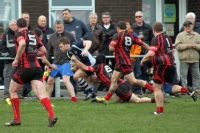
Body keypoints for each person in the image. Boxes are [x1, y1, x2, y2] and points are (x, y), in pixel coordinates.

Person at [5, 18, 57, 127]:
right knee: (40, 94)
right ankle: (52, 115)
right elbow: (43, 50)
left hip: (25, 68)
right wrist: (32, 53)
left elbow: (23, 44)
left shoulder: (19, 33)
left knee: (12, 91)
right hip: (37, 68)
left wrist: (16, 59)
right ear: (27, 25)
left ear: (18, 26)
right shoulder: (33, 34)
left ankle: (17, 119)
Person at [140, 22, 197, 115]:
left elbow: (151, 54)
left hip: (163, 65)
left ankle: (159, 111)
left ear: (154, 30)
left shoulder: (156, 39)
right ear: (162, 29)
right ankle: (186, 90)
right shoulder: (167, 38)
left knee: (156, 88)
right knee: (167, 87)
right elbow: (172, 50)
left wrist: (143, 60)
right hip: (171, 64)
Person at [96, 21, 153, 103]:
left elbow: (111, 47)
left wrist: (113, 51)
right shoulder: (131, 35)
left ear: (118, 28)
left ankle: (153, 89)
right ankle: (106, 100)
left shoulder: (117, 35)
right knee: (113, 80)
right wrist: (151, 50)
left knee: (133, 81)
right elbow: (143, 44)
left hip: (123, 62)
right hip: (120, 63)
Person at [71, 54, 155, 104]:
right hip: (121, 84)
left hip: (119, 87)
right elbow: (99, 79)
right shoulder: (105, 67)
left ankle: (153, 100)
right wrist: (90, 79)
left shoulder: (98, 67)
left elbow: (85, 68)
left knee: (138, 101)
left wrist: (75, 59)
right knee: (116, 101)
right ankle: (130, 97)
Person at [46, 20, 77, 102]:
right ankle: (48, 100)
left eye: (61, 27)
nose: (59, 29)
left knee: (66, 79)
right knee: (50, 81)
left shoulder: (70, 35)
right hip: (56, 63)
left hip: (66, 61)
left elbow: (76, 47)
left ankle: (73, 98)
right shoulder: (52, 37)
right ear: (55, 27)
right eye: (57, 27)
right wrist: (47, 63)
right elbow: (49, 52)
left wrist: (74, 61)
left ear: (63, 26)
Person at [0, 20, 24, 99]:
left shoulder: (21, 35)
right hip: (9, 61)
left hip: (20, 60)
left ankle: (19, 93)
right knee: (8, 76)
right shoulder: (6, 35)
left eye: (15, 25)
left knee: (20, 76)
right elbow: (2, 46)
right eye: (12, 25)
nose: (14, 26)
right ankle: (7, 93)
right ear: (9, 26)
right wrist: (7, 55)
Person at [175, 20, 200, 94]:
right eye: (186, 26)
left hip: (194, 59)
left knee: (196, 76)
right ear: (184, 27)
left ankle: (197, 89)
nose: (187, 27)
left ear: (192, 26)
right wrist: (186, 46)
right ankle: (184, 90)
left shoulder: (197, 35)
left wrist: (195, 46)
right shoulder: (180, 35)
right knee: (183, 76)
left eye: (189, 26)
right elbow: (177, 46)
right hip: (184, 59)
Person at [132, 11, 154, 94]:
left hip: (146, 51)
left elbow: (152, 39)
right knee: (137, 72)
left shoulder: (148, 27)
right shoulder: (133, 27)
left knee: (145, 71)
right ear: (135, 18)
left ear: (143, 17)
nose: (138, 18)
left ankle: (146, 89)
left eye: (139, 16)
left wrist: (151, 49)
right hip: (136, 52)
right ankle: (137, 90)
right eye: (136, 17)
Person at [126, 20, 141, 92]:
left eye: (128, 24)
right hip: (125, 58)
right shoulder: (121, 34)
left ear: (130, 25)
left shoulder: (134, 34)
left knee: (137, 74)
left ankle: (137, 89)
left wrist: (134, 55)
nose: (126, 26)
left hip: (134, 58)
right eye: (125, 24)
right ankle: (128, 90)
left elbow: (138, 46)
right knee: (127, 75)